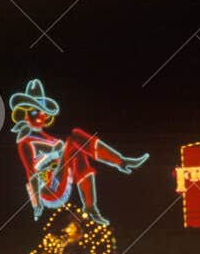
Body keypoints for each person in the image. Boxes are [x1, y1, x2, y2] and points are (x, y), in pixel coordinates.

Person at [9, 80, 147, 225]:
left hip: (58, 178)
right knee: (75, 136)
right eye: (34, 112)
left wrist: (57, 155)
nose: (39, 116)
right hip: (48, 189)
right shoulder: (25, 142)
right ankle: (122, 162)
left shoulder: (47, 138)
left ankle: (90, 206)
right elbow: (32, 174)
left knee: (77, 150)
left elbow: (61, 156)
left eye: (42, 112)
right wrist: (37, 205)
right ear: (25, 115)